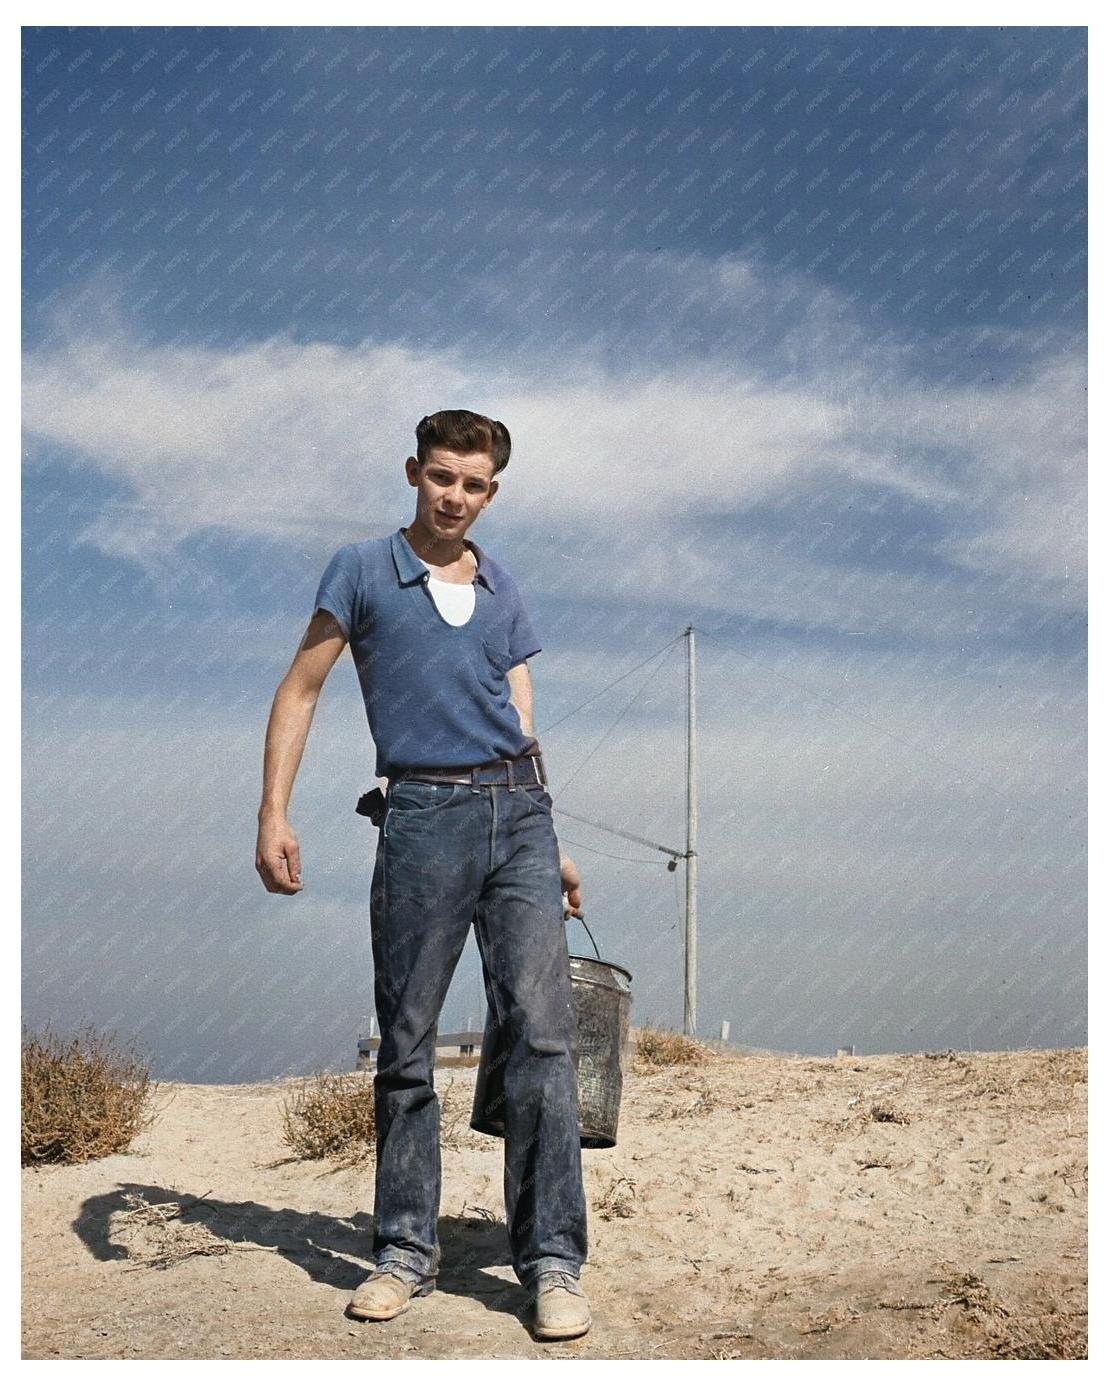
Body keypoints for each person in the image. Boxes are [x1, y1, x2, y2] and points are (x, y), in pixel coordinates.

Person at [255, 409, 591, 1341]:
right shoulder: (362, 570)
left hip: (519, 811)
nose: (455, 497)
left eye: (474, 484)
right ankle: (403, 1249)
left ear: (493, 492)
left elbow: (518, 709)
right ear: (414, 473)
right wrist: (272, 813)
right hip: (421, 817)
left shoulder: (503, 584)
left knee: (544, 1038)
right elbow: (301, 687)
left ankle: (553, 1261)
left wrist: (551, 834)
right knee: (406, 1044)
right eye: (441, 477)